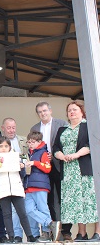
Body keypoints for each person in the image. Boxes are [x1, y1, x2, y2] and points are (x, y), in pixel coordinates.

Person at [53, 101, 100, 241]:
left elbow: (92, 144)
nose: (72, 112)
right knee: (76, 202)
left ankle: (97, 233)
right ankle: (82, 233)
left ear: (81, 111)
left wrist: (76, 155)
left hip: (85, 169)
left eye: (75, 109)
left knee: (90, 201)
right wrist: (60, 155)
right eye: (69, 110)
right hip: (68, 171)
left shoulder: (88, 126)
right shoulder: (63, 130)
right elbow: (56, 147)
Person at [30, 101, 69, 241]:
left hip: (58, 164)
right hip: (42, 169)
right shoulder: (34, 128)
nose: (43, 113)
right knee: (48, 200)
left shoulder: (61, 123)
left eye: (45, 110)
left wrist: (56, 153)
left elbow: (68, 143)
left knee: (64, 197)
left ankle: (66, 231)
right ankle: (51, 229)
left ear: (50, 111)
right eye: (40, 112)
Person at [0, 137, 36, 243]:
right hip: (3, 189)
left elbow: (22, 175)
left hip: (16, 188)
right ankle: (11, 236)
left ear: (10, 147)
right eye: (1, 146)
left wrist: (22, 167)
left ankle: (29, 235)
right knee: (7, 214)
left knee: (22, 213)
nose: (4, 148)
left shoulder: (16, 158)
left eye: (6, 146)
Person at [23, 131, 60, 242]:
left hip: (40, 186)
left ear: (39, 142)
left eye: (32, 142)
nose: (30, 144)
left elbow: (47, 168)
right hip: (29, 186)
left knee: (43, 208)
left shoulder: (43, 153)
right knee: (28, 209)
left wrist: (35, 163)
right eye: (28, 142)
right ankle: (48, 223)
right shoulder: (29, 153)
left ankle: (46, 233)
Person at [1, 118, 28, 242]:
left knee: (24, 208)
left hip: (24, 177)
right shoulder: (0, 143)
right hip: (7, 180)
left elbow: (29, 156)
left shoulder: (23, 140)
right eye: (8, 128)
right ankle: (17, 235)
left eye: (13, 127)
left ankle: (32, 234)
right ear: (3, 128)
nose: (11, 130)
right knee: (12, 210)